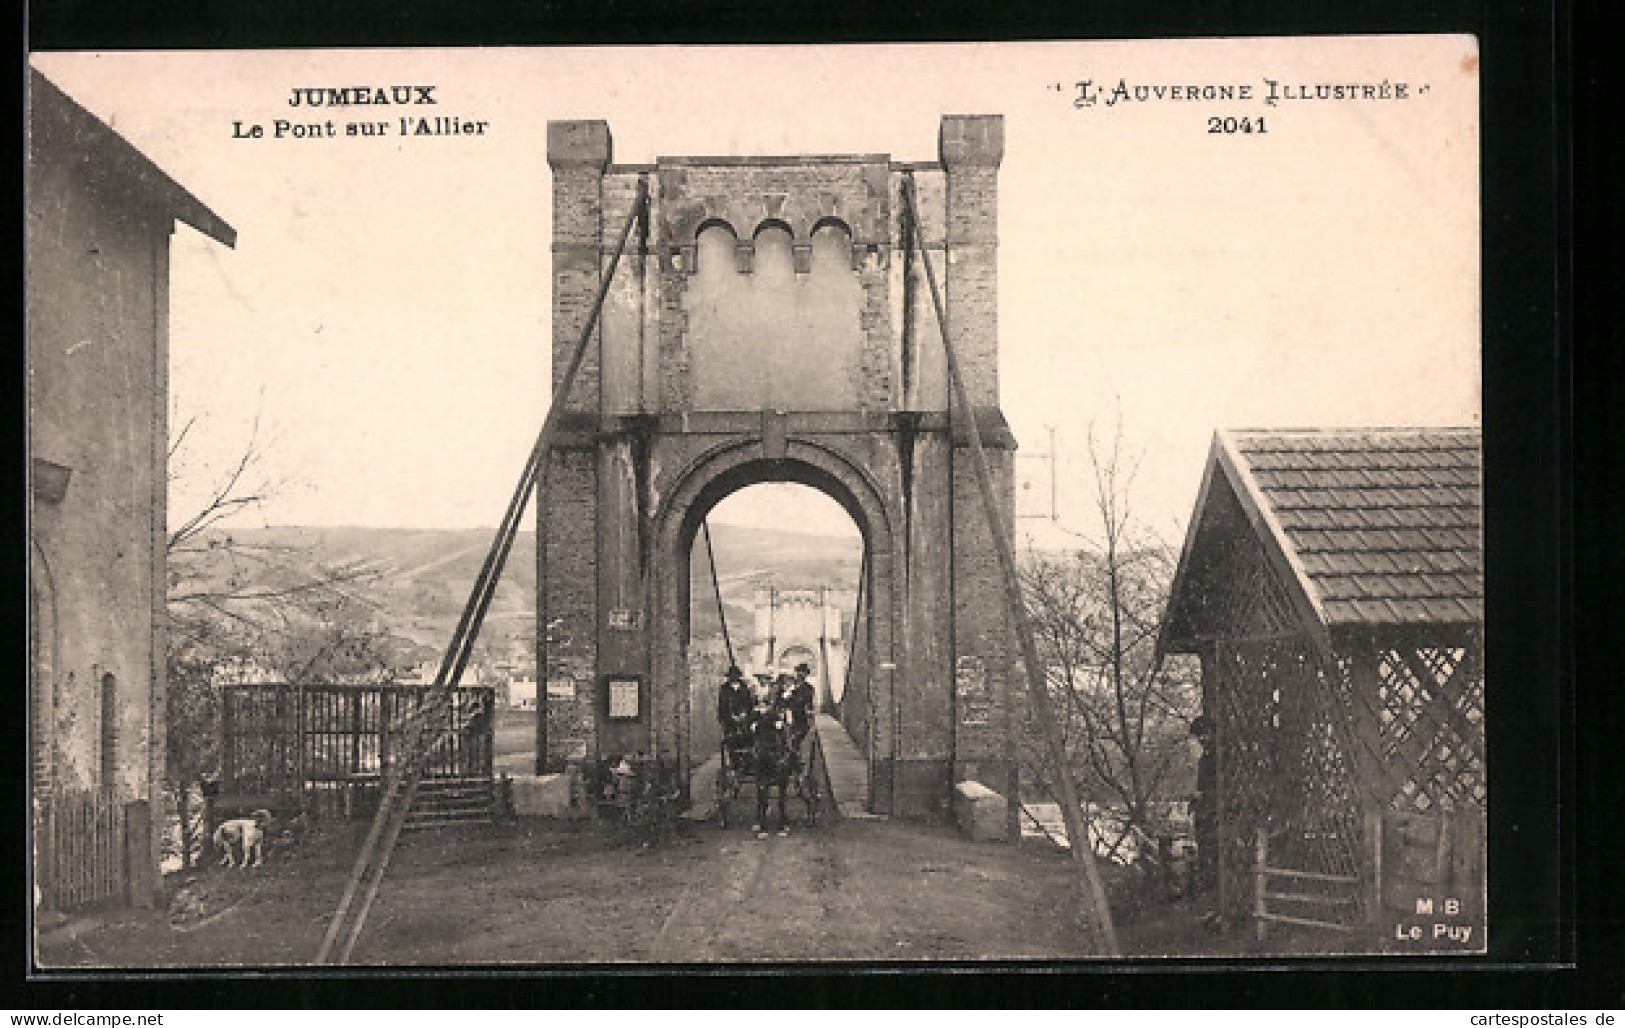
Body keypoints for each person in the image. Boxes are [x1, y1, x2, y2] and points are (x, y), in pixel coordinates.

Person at [716, 665, 754, 763]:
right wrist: (729, 717)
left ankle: (747, 762)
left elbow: (749, 704)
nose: (734, 678)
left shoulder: (744, 688)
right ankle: (735, 762)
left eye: (736, 676)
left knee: (747, 738)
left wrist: (745, 714)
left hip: (744, 719)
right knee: (732, 740)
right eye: (732, 676)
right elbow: (722, 706)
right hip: (730, 720)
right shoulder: (724, 689)